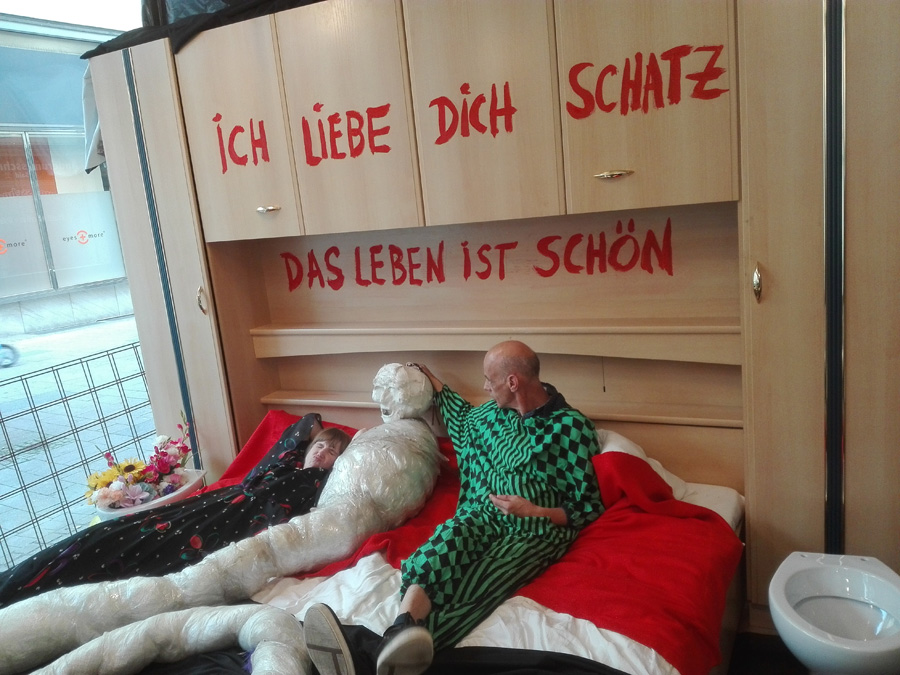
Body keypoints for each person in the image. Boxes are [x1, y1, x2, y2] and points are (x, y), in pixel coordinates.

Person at [304, 340, 605, 675]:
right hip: (481, 514)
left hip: (534, 530)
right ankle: (399, 630)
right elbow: (461, 416)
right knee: (440, 549)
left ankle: (371, 655)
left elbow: (588, 506)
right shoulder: (490, 416)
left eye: (489, 379)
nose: (485, 386)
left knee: (480, 580)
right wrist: (429, 379)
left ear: (513, 382)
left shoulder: (571, 429)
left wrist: (534, 511)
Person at [0, 413, 351, 607]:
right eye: (320, 446)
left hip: (235, 526)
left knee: (141, 555)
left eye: (331, 453)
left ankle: (28, 595)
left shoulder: (320, 483)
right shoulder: (285, 461)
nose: (322, 453)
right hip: (216, 504)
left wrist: (348, 447)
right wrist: (320, 436)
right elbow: (306, 422)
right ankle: (16, 583)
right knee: (113, 533)